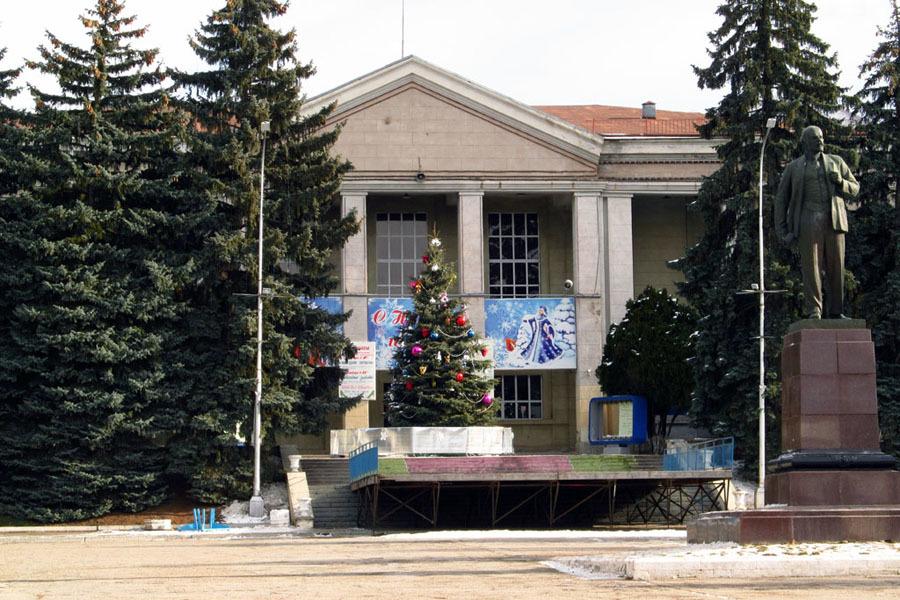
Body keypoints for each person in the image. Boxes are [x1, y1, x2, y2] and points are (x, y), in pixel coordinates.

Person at [774, 125, 859, 319]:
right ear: (805, 142)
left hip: (833, 220)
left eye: (821, 137)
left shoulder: (836, 162)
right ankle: (814, 310)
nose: (820, 141)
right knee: (811, 267)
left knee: (836, 266)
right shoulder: (793, 168)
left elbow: (855, 188)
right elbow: (781, 200)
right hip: (807, 218)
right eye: (815, 138)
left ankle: (837, 311)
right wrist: (782, 231)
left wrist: (841, 183)